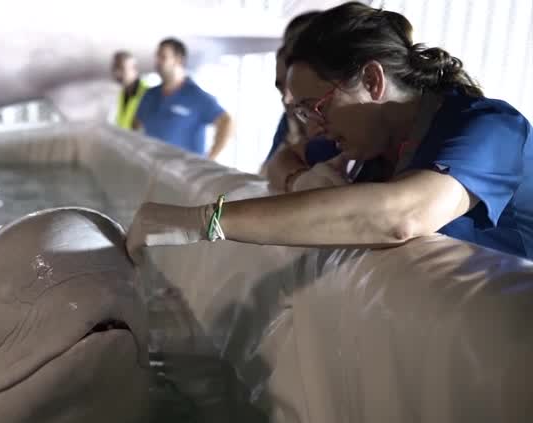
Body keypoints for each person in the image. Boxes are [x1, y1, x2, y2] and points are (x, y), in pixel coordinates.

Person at [126, 2, 533, 260]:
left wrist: (204, 221)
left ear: (373, 81)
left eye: (315, 108)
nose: (313, 126)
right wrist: (298, 178)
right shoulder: (373, 142)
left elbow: (401, 215)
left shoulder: (488, 128)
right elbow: (279, 162)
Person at [261, 10, 341, 192]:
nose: (288, 99)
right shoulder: (290, 123)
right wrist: (299, 181)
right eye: (281, 86)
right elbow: (271, 168)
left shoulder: (354, 140)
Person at [135, 38, 234, 160]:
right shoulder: (149, 95)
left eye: (163, 57)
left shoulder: (196, 96)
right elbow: (136, 125)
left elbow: (227, 122)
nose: (157, 61)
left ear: (178, 60)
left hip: (183, 174)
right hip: (153, 170)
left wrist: (210, 159)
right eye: (157, 56)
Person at [110, 50, 149, 130]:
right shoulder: (122, 94)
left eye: (121, 68)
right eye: (115, 68)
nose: (117, 73)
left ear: (134, 69)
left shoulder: (148, 94)